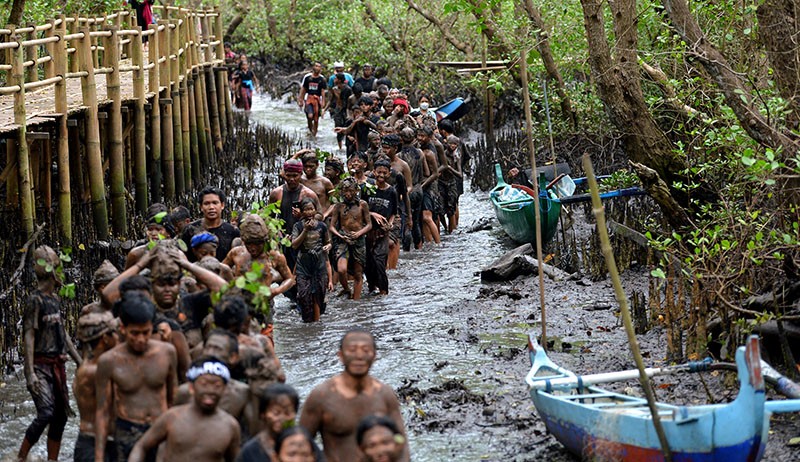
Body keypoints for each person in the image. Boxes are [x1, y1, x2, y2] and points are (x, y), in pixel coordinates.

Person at [300, 329, 409, 462]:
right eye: (352, 350)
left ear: (374, 356)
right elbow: (301, 445)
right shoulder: (322, 396)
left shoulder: (384, 394)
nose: (359, 356)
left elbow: (401, 443)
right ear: (340, 355)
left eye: (365, 350)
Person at [95, 292, 178, 462]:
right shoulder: (109, 361)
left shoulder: (167, 353)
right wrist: (99, 456)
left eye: (145, 332)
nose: (141, 339)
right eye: (134, 333)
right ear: (123, 329)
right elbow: (103, 412)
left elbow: (173, 399)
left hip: (161, 428)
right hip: (127, 431)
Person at [17, 246, 82, 462]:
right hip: (40, 366)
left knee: (60, 417)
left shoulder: (54, 299)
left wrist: (80, 361)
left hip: (57, 364)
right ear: (52, 271)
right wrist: (29, 373)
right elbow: (29, 336)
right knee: (45, 412)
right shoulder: (35, 300)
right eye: (59, 268)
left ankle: (52, 460)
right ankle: (21, 457)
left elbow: (63, 334)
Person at [129, 357, 241, 462]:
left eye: (217, 386)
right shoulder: (172, 417)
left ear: (225, 390)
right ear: (191, 388)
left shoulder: (230, 426)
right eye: (204, 384)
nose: (210, 390)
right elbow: (141, 446)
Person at [175, 330, 252, 437]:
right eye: (208, 348)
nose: (210, 353)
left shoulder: (242, 393)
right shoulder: (184, 392)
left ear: (233, 358)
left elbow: (253, 431)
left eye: (217, 349)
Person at [73, 312, 119, 462]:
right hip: (94, 444)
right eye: (114, 334)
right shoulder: (95, 371)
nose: (118, 337)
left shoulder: (89, 363)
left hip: (94, 440)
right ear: (105, 339)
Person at [329, 177, 372, 300]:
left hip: (358, 240)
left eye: (350, 191)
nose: (347, 194)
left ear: (356, 191)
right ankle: (347, 289)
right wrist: (340, 236)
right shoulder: (338, 206)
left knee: (358, 273)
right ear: (341, 191)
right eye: (345, 191)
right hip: (343, 240)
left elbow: (369, 225)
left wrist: (359, 234)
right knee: (341, 270)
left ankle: (356, 301)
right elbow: (331, 227)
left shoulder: (362, 205)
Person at [291, 197, 333, 322]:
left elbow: (328, 242)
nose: (309, 212)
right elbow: (294, 245)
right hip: (303, 265)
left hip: (319, 264)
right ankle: (307, 322)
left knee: (318, 295)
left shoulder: (322, 226)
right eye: (306, 210)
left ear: (315, 210)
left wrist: (327, 247)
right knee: (304, 295)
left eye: (311, 209)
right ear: (302, 212)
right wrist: (305, 230)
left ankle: (316, 323)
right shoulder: (297, 226)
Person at [237, 384, 301, 461]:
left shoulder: (304, 444)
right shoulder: (250, 452)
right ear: (263, 414)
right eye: (276, 413)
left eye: (287, 413)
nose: (282, 418)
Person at [365, 159, 397, 295]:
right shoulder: (367, 188)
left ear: (389, 173)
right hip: (368, 231)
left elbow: (394, 212)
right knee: (368, 262)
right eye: (379, 172)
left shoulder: (391, 192)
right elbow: (362, 207)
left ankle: (384, 292)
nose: (381, 175)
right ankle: (372, 288)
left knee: (380, 262)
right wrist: (372, 213)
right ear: (374, 172)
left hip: (382, 232)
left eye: (385, 172)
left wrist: (390, 223)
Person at [182, 187, 240, 261]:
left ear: (222, 205)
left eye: (215, 203)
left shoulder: (232, 231)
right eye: (206, 203)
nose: (211, 207)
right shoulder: (190, 230)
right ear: (201, 207)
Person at [379, 135, 412, 267]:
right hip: (381, 205)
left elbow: (409, 186)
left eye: (387, 148)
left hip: (398, 204)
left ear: (395, 148)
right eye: (383, 148)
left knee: (394, 239)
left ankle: (393, 266)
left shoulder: (402, 166)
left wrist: (403, 195)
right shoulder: (379, 163)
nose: (384, 151)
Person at [439, 134, 463, 233]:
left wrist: (449, 168)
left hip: (451, 183)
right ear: (446, 143)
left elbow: (460, 174)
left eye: (455, 144)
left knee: (451, 209)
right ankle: (445, 227)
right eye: (451, 144)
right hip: (441, 183)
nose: (453, 146)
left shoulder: (456, 157)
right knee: (440, 209)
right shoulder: (442, 155)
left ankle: (451, 231)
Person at [324, 73, 353, 150]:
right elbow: (330, 100)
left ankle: (347, 146)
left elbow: (349, 102)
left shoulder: (347, 89)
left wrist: (350, 113)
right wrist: (324, 109)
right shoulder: (334, 89)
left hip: (346, 111)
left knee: (347, 128)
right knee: (338, 129)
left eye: (335, 78)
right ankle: (340, 147)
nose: (334, 80)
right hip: (338, 112)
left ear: (339, 80)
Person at [298, 62, 327, 137]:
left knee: (316, 118)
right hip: (309, 98)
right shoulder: (308, 78)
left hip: (317, 99)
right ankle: (310, 129)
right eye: (316, 66)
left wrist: (323, 103)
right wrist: (300, 100)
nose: (317, 68)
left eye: (319, 66)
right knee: (310, 116)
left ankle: (314, 134)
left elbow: (323, 92)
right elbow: (303, 89)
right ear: (313, 67)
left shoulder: (322, 79)